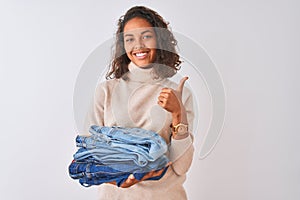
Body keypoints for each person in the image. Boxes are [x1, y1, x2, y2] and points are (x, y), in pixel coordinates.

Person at [84, 5, 195, 200]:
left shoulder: (179, 93)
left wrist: (178, 113)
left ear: (159, 39)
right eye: (130, 39)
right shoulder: (106, 91)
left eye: (146, 36)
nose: (138, 45)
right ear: (123, 45)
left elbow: (181, 166)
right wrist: (118, 180)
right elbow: (88, 159)